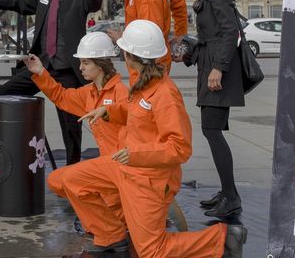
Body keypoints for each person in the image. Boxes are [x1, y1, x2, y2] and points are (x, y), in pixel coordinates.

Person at [67, 20, 247, 257]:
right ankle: (111, 234)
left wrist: (135, 154)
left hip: (149, 178)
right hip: (127, 168)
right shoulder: (143, 83)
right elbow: (137, 113)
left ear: (130, 55)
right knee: (71, 180)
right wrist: (109, 111)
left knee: (152, 252)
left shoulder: (164, 93)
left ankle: (223, 237)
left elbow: (180, 148)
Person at [0, 0, 102, 165]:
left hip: (67, 70)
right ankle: (17, 147)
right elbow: (22, 4)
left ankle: (72, 171)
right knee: (6, 92)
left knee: (70, 126)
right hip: (41, 65)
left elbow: (94, 2)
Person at [23, 32, 128, 199]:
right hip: (106, 165)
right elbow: (61, 97)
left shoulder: (122, 93)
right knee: (57, 181)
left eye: (85, 63)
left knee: (71, 181)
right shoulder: (89, 93)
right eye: (80, 63)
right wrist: (41, 72)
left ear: (100, 65)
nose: (80, 68)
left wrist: (108, 111)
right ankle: (105, 211)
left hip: (123, 165)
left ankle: (109, 212)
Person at [184, 0, 244, 218]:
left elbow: (230, 32)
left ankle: (231, 197)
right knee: (212, 130)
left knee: (212, 131)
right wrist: (188, 55)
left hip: (218, 73)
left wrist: (218, 68)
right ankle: (227, 192)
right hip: (210, 69)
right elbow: (209, 39)